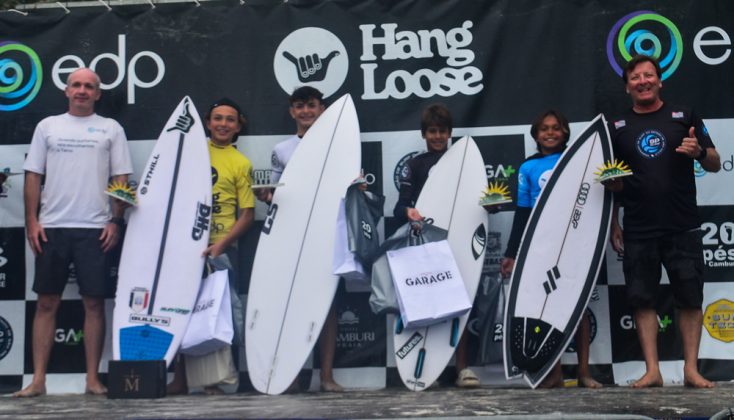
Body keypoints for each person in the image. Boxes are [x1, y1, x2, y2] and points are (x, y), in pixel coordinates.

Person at [14, 68, 133, 397]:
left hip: (95, 229)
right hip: (51, 227)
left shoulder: (111, 129)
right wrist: (31, 222)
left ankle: (92, 378)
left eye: (89, 86)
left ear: (98, 94)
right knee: (46, 303)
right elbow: (33, 176)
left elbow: (121, 179)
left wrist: (115, 220)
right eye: (76, 85)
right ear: (67, 91)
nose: (82, 90)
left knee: (94, 304)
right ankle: (38, 380)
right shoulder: (47, 127)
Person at [606, 55, 720, 388]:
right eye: (635, 77)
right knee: (642, 300)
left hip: (682, 225)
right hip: (639, 228)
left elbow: (714, 162)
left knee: (690, 298)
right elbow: (613, 182)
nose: (642, 81)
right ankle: (652, 371)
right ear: (627, 86)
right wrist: (614, 223)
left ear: (660, 80)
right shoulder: (616, 128)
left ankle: (690, 369)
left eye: (648, 75)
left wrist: (699, 151)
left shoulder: (685, 116)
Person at [500, 110, 602, 389]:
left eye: (556, 128)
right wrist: (511, 253)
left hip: (573, 242)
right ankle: (552, 373)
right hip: (539, 246)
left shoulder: (578, 161)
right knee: (544, 309)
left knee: (577, 307)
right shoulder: (527, 168)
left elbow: (594, 203)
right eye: (544, 129)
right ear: (536, 134)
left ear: (565, 133)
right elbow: (522, 213)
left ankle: (584, 372)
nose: (550, 133)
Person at [255, 86, 343, 392]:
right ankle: (289, 374)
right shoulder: (282, 150)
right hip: (290, 237)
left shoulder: (339, 144)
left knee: (326, 306)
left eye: (312, 105)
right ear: (292, 111)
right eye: (300, 106)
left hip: (327, 234)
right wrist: (266, 195)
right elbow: (277, 195)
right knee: (291, 305)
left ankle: (327, 376)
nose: (306, 111)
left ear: (322, 109)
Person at [167, 98, 255, 395]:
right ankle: (179, 379)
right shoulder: (190, 153)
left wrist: (221, 245)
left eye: (230, 120)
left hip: (223, 249)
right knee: (181, 311)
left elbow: (247, 215)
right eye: (218, 118)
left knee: (220, 314)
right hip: (187, 246)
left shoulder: (241, 163)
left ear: (238, 126)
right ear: (207, 122)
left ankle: (216, 381)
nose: (223, 124)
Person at [392, 103, 479, 388]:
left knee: (460, 302)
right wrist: (409, 212)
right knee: (427, 306)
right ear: (424, 134)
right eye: (432, 131)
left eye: (442, 131)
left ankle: (463, 368)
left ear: (450, 133)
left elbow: (477, 203)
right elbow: (400, 207)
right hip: (426, 243)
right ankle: (430, 369)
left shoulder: (464, 163)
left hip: (459, 243)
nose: (438, 136)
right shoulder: (414, 165)